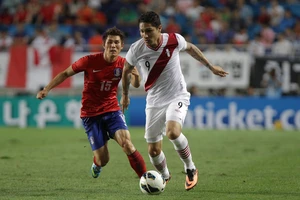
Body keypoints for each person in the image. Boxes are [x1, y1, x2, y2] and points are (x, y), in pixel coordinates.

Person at [121, 11, 228, 191]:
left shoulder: (173, 39)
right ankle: (164, 176)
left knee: (172, 132)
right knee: (153, 151)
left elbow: (191, 48)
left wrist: (210, 67)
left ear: (159, 29)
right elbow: (126, 71)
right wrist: (125, 94)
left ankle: (190, 168)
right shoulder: (136, 49)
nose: (145, 35)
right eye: (141, 31)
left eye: (149, 31)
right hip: (154, 101)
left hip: (177, 95)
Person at [36, 27, 147, 179]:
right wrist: (46, 89)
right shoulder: (89, 61)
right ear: (104, 45)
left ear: (122, 46)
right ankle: (97, 163)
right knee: (103, 159)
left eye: (116, 43)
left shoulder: (124, 63)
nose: (113, 45)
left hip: (112, 110)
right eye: (110, 42)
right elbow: (65, 73)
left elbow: (135, 83)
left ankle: (146, 179)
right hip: (91, 114)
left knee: (127, 144)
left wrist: (135, 75)